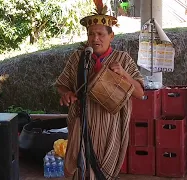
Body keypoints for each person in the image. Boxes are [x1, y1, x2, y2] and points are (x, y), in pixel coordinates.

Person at [55, 1, 144, 179]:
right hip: (81, 122)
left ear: (111, 36)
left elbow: (140, 93)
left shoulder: (123, 59)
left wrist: (124, 74)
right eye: (91, 34)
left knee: (103, 171)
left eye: (101, 34)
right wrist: (66, 93)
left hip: (110, 126)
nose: (95, 38)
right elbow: (61, 84)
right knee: (78, 170)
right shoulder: (78, 58)